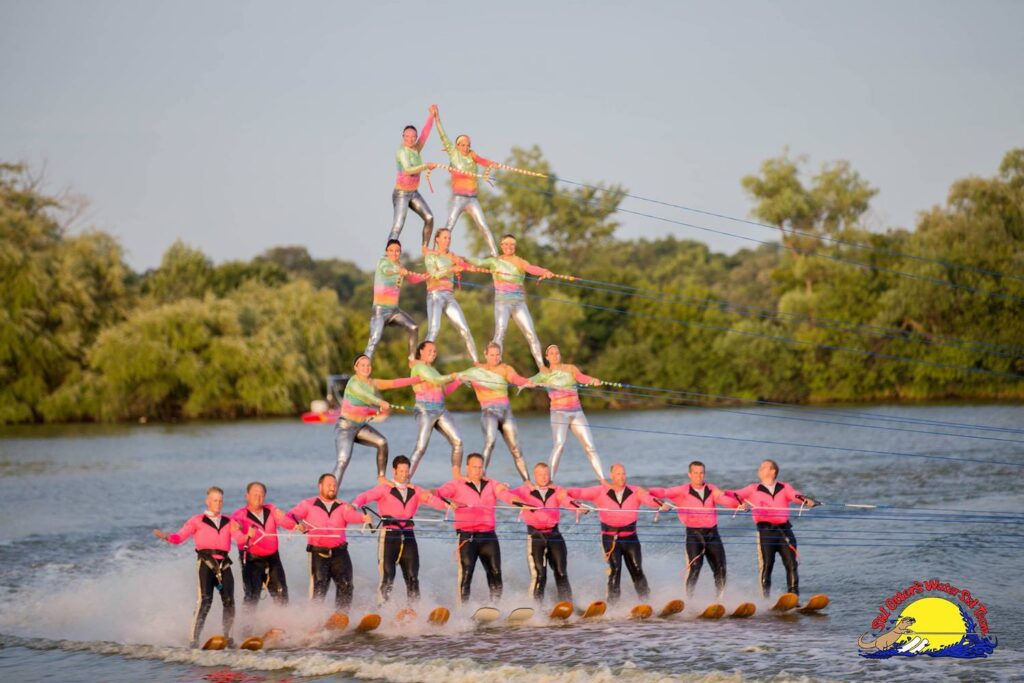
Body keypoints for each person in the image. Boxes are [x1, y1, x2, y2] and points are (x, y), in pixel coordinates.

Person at [153, 486, 247, 648]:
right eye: (215, 500)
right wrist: (166, 536)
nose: (218, 504)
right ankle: (194, 639)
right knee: (205, 601)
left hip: (224, 563)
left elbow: (240, 540)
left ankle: (228, 637)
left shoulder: (228, 521)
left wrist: (248, 533)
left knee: (229, 601)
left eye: (220, 501)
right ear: (208, 501)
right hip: (205, 563)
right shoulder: (197, 520)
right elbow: (179, 538)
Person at [426, 453, 522, 603]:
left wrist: (518, 502)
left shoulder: (491, 483)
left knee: (495, 573)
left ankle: (496, 606)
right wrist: (446, 500)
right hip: (467, 536)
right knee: (466, 574)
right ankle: (462, 609)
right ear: (467, 468)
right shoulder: (456, 484)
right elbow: (435, 493)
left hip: (488, 536)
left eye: (480, 467)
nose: (477, 470)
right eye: (474, 467)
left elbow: (505, 494)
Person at [353, 455, 448, 604]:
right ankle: (382, 609)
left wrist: (448, 506)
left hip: (408, 535)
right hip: (389, 536)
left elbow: (432, 501)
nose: (404, 474)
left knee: (412, 576)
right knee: (388, 576)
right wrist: (354, 505)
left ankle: (414, 610)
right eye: (401, 471)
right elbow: (365, 496)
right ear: (394, 471)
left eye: (406, 471)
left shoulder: (415, 490)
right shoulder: (385, 488)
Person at [567, 464, 661, 603]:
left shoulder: (635, 491)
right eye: (618, 474)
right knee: (615, 570)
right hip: (610, 539)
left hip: (631, 538)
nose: (622, 477)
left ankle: (646, 602)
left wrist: (660, 504)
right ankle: (613, 605)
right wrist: (574, 504)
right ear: (611, 476)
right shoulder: (599, 491)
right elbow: (574, 493)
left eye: (623, 473)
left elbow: (649, 498)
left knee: (637, 569)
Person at [648, 461, 739, 599]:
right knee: (695, 568)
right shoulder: (682, 491)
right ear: (690, 474)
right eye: (695, 473)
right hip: (694, 535)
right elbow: (663, 492)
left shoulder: (712, 489)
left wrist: (738, 505)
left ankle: (720, 600)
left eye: (701, 473)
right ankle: (688, 601)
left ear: (704, 474)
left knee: (720, 568)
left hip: (712, 534)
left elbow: (724, 499)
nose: (699, 476)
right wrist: (651, 495)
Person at [729, 459, 819, 598]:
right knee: (767, 566)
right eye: (760, 467)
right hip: (765, 532)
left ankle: (794, 596)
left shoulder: (784, 487)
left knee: (791, 564)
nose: (759, 469)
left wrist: (807, 501)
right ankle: (765, 600)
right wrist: (741, 504)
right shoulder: (753, 488)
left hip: (784, 531)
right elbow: (734, 495)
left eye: (763, 467)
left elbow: (796, 496)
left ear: (773, 471)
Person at [465, 234, 555, 371]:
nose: (509, 247)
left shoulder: (519, 262)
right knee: (500, 332)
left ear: (515, 246)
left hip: (519, 303)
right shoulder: (494, 262)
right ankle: (494, 365)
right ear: (501, 246)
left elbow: (531, 268)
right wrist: (461, 260)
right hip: (502, 302)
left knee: (531, 333)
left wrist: (544, 271)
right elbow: (478, 262)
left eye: (512, 244)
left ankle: (541, 366)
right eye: (506, 244)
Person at [334, 353, 422, 485]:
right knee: (343, 460)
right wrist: (380, 402)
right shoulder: (353, 383)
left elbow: (394, 383)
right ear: (355, 368)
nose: (366, 367)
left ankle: (381, 477)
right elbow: (365, 396)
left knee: (382, 442)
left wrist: (417, 379)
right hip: (345, 427)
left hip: (360, 427)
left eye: (368, 365)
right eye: (362, 365)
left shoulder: (372, 383)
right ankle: (330, 493)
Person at [286, 473, 370, 610]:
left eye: (335, 485)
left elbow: (351, 515)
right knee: (319, 588)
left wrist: (363, 518)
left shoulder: (343, 505)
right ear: (320, 486)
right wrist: (296, 523)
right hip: (319, 553)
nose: (332, 488)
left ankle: (341, 617)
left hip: (340, 552)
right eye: (329, 485)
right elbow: (291, 515)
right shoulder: (308, 504)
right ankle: (313, 620)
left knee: (346, 585)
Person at [456, 342, 534, 482]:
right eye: (492, 355)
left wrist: (525, 382)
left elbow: (515, 378)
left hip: (506, 413)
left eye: (498, 354)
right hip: (488, 412)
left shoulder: (505, 368)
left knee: (516, 448)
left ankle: (527, 483)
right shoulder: (475, 372)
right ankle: (481, 478)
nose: (495, 357)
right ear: (485, 355)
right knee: (490, 442)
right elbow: (454, 381)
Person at [431, 104, 501, 256]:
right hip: (459, 198)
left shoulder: (472, 156)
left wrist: (493, 164)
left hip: (472, 199)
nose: (465, 147)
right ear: (457, 145)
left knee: (484, 226)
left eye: (468, 145)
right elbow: (443, 135)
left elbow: (482, 160)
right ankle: (439, 252)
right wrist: (437, 118)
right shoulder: (453, 153)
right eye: (462, 145)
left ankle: (495, 254)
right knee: (448, 227)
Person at [507, 462, 581, 604]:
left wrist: (577, 507)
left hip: (555, 535)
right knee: (540, 575)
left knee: (561, 572)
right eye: (540, 474)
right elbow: (506, 495)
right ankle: (535, 608)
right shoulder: (525, 490)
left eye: (546, 474)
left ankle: (567, 604)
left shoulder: (557, 490)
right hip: (535, 537)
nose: (543, 477)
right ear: (535, 476)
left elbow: (566, 500)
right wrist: (503, 487)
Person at [531, 344, 606, 481]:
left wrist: (592, 380)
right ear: (547, 357)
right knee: (559, 445)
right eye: (551, 353)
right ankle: (550, 481)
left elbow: (581, 377)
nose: (555, 355)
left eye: (557, 352)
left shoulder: (570, 368)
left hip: (577, 412)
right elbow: (526, 382)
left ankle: (603, 480)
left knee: (590, 446)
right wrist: (528, 383)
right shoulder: (544, 374)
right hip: (559, 413)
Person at [230, 481, 296, 610]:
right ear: (247, 496)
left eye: (261, 495)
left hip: (273, 559)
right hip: (251, 560)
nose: (258, 498)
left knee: (282, 593)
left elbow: (286, 522)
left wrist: (294, 524)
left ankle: (285, 624)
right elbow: (237, 536)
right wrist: (239, 530)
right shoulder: (239, 516)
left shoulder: (271, 510)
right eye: (255, 494)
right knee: (252, 597)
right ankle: (247, 628)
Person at [423, 227, 481, 362]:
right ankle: (423, 361)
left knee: (465, 330)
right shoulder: (431, 256)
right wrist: (452, 269)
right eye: (444, 237)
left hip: (449, 297)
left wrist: (469, 267)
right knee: (434, 329)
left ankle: (476, 362)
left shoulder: (452, 256)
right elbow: (434, 274)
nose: (447, 240)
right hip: (435, 295)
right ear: (437, 239)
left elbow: (462, 263)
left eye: (449, 238)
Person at [408, 341, 464, 480]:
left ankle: (457, 478)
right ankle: (404, 480)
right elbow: (436, 380)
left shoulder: (433, 369)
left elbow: (444, 391)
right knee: (421, 448)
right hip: (425, 410)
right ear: (420, 351)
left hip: (441, 410)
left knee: (458, 442)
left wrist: (459, 381)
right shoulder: (419, 367)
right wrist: (452, 376)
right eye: (429, 350)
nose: (433, 353)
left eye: (435, 351)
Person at [365, 239, 428, 361]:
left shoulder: (400, 265)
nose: (394, 253)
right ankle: (364, 365)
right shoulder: (383, 262)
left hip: (394, 311)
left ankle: (412, 360)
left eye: (397, 251)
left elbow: (411, 278)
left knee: (413, 327)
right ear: (386, 252)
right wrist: (398, 270)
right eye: (391, 251)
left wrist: (423, 277)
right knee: (374, 340)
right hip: (380, 311)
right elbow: (387, 270)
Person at [389, 106, 438, 250]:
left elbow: (424, 135)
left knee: (429, 218)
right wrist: (426, 166)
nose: (410, 139)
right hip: (401, 194)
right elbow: (408, 170)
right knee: (398, 226)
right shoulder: (401, 152)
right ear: (403, 137)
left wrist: (432, 116)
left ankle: (425, 249)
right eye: (407, 136)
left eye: (413, 137)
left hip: (414, 193)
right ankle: (389, 254)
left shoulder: (416, 150)